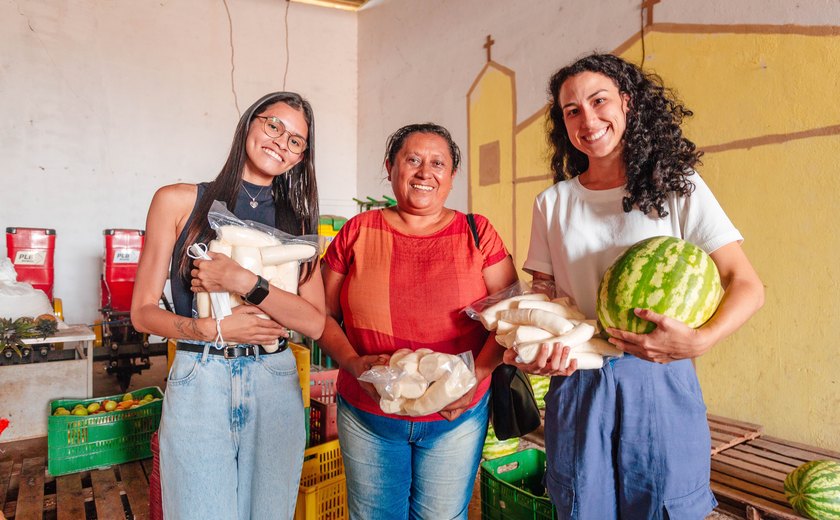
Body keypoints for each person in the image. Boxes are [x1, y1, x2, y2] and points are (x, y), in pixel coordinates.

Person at [509, 53, 765, 519]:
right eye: (571, 110)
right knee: (583, 507)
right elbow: (545, 296)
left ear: (627, 103)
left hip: (661, 379)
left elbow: (745, 283)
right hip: (580, 379)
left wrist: (699, 340)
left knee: (667, 508)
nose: (588, 119)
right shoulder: (552, 203)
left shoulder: (677, 186)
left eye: (599, 100)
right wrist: (536, 348)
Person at [131, 92, 326, 520]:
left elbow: (314, 323)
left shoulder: (299, 224)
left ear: (300, 158)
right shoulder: (179, 201)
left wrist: (246, 283)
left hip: (274, 379)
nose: (281, 142)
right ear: (248, 126)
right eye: (273, 125)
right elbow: (142, 312)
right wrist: (212, 330)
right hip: (200, 377)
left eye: (296, 140)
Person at [316, 123, 518, 519]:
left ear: (451, 176)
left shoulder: (477, 233)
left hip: (455, 416)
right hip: (369, 415)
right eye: (413, 160)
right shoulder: (358, 231)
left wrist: (474, 375)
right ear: (391, 167)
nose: (426, 172)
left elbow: (511, 319)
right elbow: (320, 316)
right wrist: (353, 364)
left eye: (438, 163)